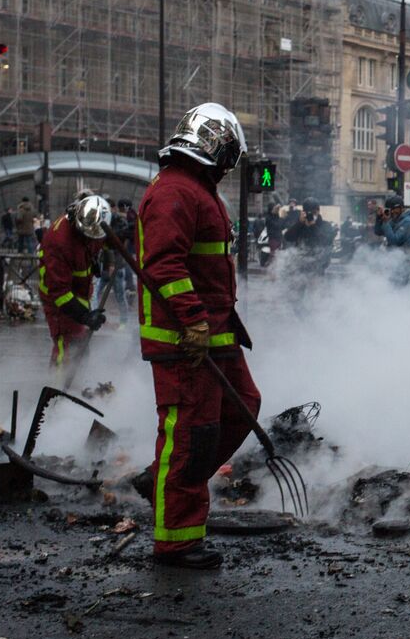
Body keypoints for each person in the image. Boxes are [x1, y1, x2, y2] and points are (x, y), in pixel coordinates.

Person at [132, 102, 260, 570]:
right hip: (187, 340)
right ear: (221, 148)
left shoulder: (194, 190)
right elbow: (164, 264)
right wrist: (194, 322)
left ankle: (160, 481)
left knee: (242, 407)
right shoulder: (174, 193)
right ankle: (176, 542)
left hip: (213, 332)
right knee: (191, 435)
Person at [37, 193, 110, 366]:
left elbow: (102, 242)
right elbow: (59, 293)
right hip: (58, 300)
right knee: (66, 344)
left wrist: (119, 237)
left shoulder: (92, 225)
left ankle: (80, 383)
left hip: (80, 292)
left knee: (81, 344)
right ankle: (60, 388)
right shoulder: (59, 242)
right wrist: (85, 316)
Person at [282, 197, 334, 276]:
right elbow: (288, 237)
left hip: (317, 267)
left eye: (313, 212)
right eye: (308, 213)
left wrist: (313, 226)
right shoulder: (300, 225)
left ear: (318, 211)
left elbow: (326, 241)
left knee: (315, 286)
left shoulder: (325, 225)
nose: (311, 215)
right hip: (300, 267)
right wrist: (299, 223)